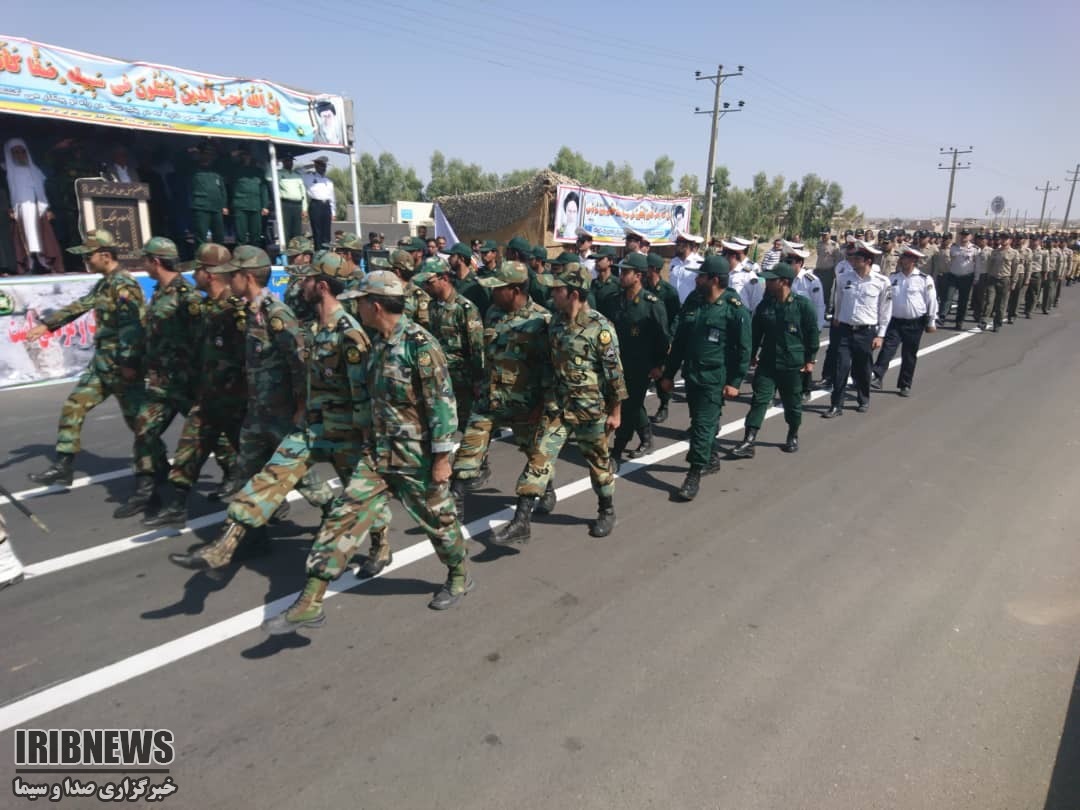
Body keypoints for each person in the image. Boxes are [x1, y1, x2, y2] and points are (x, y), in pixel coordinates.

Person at [262, 270, 472, 632]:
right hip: (376, 455)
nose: (355, 308)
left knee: (439, 523)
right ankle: (311, 600)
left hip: (416, 458)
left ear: (375, 306)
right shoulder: (376, 342)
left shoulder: (420, 345)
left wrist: (442, 459)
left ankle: (458, 574)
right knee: (342, 517)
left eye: (359, 302)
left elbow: (442, 404)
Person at [169, 251, 382, 574]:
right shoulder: (280, 318)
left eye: (307, 279)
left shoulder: (303, 320)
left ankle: (370, 537)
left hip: (312, 420)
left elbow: (311, 368)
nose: (301, 284)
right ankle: (233, 544)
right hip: (274, 417)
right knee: (255, 477)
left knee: (340, 486)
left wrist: (306, 409)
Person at [450, 261, 560, 540]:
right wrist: (480, 383)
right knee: (468, 450)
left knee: (535, 455)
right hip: (490, 401)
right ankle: (454, 505)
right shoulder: (493, 312)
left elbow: (550, 369)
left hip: (526, 405)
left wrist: (544, 407)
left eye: (498, 288)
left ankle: (543, 492)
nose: (493, 292)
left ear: (515, 290)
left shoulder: (542, 321)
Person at [26, 231, 145, 486]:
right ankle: (64, 465)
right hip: (102, 365)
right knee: (74, 405)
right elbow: (80, 305)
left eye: (89, 256)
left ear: (105, 255)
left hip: (122, 366)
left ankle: (157, 469)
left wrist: (130, 363)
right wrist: (47, 325)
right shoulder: (104, 284)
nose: (86, 261)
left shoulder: (124, 285)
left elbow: (133, 327)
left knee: (140, 423)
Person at [144, 243, 245, 527]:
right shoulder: (202, 308)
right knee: (190, 446)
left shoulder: (234, 311)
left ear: (209, 274)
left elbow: (248, 357)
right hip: (208, 395)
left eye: (197, 270)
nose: (193, 275)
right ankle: (177, 504)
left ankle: (285, 503)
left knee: (253, 456)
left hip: (236, 400)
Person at [113, 237, 205, 519]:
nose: (144, 265)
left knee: (217, 439)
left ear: (155, 261)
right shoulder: (159, 292)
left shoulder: (187, 296)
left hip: (187, 383)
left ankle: (248, 486)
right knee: (144, 428)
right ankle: (146, 492)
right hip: (161, 384)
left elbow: (201, 340)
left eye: (145, 260)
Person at [536, 263, 626, 538]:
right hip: (557, 406)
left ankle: (606, 509)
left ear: (573, 294)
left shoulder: (600, 328)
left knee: (598, 462)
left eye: (557, 290)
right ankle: (546, 493)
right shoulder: (556, 322)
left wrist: (616, 412)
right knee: (540, 454)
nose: (552, 294)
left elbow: (615, 375)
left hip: (589, 409)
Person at [660, 255, 750, 501]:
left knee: (701, 426)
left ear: (714, 280)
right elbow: (679, 342)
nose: (696, 279)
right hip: (692, 374)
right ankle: (710, 458)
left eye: (701, 276)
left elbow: (744, 349)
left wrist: (735, 382)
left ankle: (693, 474)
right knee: (700, 420)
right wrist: (669, 374)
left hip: (714, 378)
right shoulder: (694, 301)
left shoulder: (733, 309)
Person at [729, 262, 819, 458]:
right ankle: (749, 440)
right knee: (759, 400)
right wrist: (751, 355)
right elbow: (755, 334)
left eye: (771, 280)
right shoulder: (765, 306)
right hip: (768, 362)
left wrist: (810, 359)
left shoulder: (802, 305)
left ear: (784, 282)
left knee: (792, 403)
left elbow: (812, 333)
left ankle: (793, 434)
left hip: (792, 364)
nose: (767, 283)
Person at [609, 252, 669, 467]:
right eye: (621, 271)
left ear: (638, 276)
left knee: (629, 406)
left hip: (640, 365)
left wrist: (658, 365)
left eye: (626, 272)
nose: (621, 276)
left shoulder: (652, 304)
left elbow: (663, 338)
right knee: (628, 403)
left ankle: (617, 449)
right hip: (617, 363)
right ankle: (646, 436)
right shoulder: (616, 300)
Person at [413, 256, 485, 433]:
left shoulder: (464, 308)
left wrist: (478, 380)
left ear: (444, 278)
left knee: (469, 426)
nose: (425, 287)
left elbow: (476, 348)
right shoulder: (432, 307)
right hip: (439, 376)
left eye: (429, 283)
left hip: (462, 379)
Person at [823, 241, 892, 417]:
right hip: (845, 330)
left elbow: (885, 310)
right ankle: (836, 405)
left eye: (857, 258)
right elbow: (838, 299)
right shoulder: (844, 277)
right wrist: (837, 317)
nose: (852, 261)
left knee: (862, 368)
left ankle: (863, 399)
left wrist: (881, 335)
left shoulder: (881, 282)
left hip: (866, 331)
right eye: (852, 257)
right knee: (841, 367)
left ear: (868, 261)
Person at [871, 246, 938, 397]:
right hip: (895, 321)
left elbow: (931, 301)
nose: (902, 260)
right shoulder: (893, 278)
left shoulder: (924, 279)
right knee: (887, 349)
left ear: (913, 260)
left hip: (915, 322)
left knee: (909, 354)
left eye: (905, 258)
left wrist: (931, 321)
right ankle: (877, 376)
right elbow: (885, 300)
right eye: (902, 258)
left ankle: (905, 384)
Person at [4, 138, 61, 273]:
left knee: (43, 241)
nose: (20, 155)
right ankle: (27, 268)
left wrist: (49, 209)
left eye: (22, 151)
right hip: (18, 212)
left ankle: (45, 266)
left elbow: (46, 192)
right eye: (15, 152)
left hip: (38, 211)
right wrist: (8, 209)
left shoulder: (36, 171)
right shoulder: (5, 171)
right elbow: (4, 192)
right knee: (22, 242)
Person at [787, 245, 826, 401]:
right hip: (788, 324)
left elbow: (819, 305)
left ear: (800, 263)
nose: (787, 265)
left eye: (790, 262)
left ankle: (805, 388)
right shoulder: (785, 278)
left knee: (806, 358)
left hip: (805, 326)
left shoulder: (811, 281)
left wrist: (817, 327)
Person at [644, 251, 680, 424]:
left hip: (661, 340)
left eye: (646, 267)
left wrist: (670, 338)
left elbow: (676, 317)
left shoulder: (668, 292)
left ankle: (664, 405)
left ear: (654, 269)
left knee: (660, 376)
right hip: (644, 339)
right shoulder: (642, 287)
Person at [229, 147, 269, 246]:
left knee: (256, 235)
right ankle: (240, 253)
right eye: (243, 155)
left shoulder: (258, 171)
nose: (246, 157)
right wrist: (234, 153)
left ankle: (255, 254)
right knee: (240, 235)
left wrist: (265, 206)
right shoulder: (234, 169)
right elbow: (229, 187)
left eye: (248, 155)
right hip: (240, 205)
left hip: (256, 206)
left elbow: (263, 189)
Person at [189, 145, 228, 246]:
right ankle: (200, 255)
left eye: (210, 154)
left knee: (219, 236)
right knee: (201, 235)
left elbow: (222, 190)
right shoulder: (194, 169)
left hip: (216, 208)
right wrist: (191, 150)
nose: (208, 157)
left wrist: (224, 205)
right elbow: (181, 160)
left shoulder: (216, 172)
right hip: (201, 207)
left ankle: (218, 255)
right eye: (205, 154)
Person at [979, 233, 1018, 332]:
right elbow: (989, 265)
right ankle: (984, 321)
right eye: (1002, 238)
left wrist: (1013, 282)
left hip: (1005, 279)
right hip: (993, 278)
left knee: (1001, 304)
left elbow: (1015, 269)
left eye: (1006, 238)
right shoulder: (995, 252)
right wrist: (987, 276)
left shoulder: (1014, 253)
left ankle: (997, 323)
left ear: (1010, 240)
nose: (1004, 240)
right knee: (989, 300)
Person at [447, 241, 490, 314]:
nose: (448, 259)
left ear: (461, 259)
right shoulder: (449, 281)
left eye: (452, 256)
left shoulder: (477, 284)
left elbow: (483, 311)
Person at [723, 239, 763, 312]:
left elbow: (756, 299)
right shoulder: (725, 272)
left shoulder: (748, 274)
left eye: (725, 254)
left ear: (733, 256)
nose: (724, 257)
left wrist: (747, 314)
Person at [304, 156, 335, 251]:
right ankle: (318, 252)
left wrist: (333, 212)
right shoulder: (309, 177)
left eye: (324, 166)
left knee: (326, 233)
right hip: (316, 205)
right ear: (316, 166)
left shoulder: (328, 181)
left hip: (326, 206)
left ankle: (326, 253)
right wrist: (309, 166)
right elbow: (298, 171)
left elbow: (332, 198)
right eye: (321, 165)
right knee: (317, 232)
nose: (323, 168)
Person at [276, 155, 307, 243]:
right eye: (287, 161)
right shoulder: (278, 173)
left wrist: (304, 209)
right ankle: (286, 249)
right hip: (286, 204)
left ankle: (296, 249)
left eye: (291, 161)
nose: (290, 163)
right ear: (283, 162)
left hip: (297, 205)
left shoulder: (297, 175)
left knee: (297, 231)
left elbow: (303, 193)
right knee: (286, 230)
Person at [668, 230, 705, 303]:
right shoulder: (674, 261)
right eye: (676, 243)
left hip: (690, 305)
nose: (676, 246)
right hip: (673, 304)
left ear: (687, 245)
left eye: (678, 244)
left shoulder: (699, 263)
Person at [590, 246, 621, 319]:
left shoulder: (618, 285)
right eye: (596, 259)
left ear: (610, 261)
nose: (596, 261)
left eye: (600, 259)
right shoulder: (592, 284)